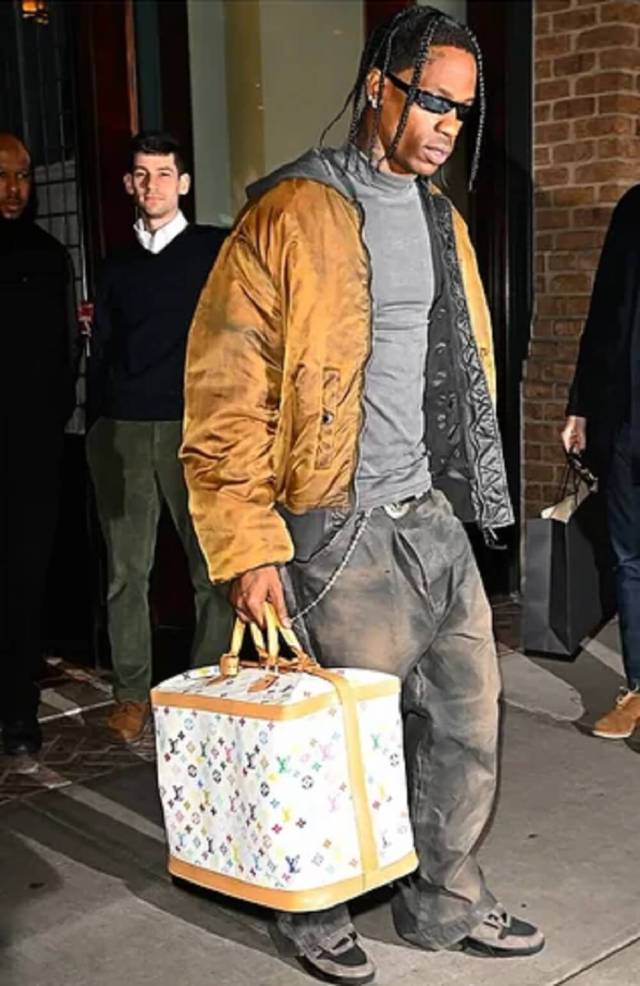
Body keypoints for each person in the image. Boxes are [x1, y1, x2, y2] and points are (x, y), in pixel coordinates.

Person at [181, 7, 544, 983]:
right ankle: (315, 911)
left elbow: (456, 371)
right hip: (335, 528)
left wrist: (467, 488)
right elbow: (225, 394)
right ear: (378, 85)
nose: (446, 126)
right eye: (431, 101)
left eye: (461, 112)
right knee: (342, 743)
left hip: (426, 515)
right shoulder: (289, 212)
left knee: (468, 716)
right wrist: (250, 545)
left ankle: (443, 900)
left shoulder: (442, 220)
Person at [87, 131, 233, 744]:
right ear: (130, 184)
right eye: (142, 175)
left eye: (165, 173)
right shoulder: (116, 264)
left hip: (193, 427)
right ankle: (130, 695)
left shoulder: (214, 251)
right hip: (123, 430)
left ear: (184, 183)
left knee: (212, 569)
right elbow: (103, 348)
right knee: (127, 573)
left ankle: (207, 691)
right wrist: (97, 423)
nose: (153, 185)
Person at [0, 133, 78, 757]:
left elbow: (65, 351)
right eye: (3, 175)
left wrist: (50, 423)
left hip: (32, 451)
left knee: (25, 583)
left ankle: (19, 714)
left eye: (24, 176)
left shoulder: (50, 255)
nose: (14, 188)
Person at [562, 185, 640, 740]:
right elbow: (605, 309)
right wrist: (581, 406)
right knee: (630, 560)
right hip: (625, 421)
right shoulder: (634, 209)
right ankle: (638, 688)